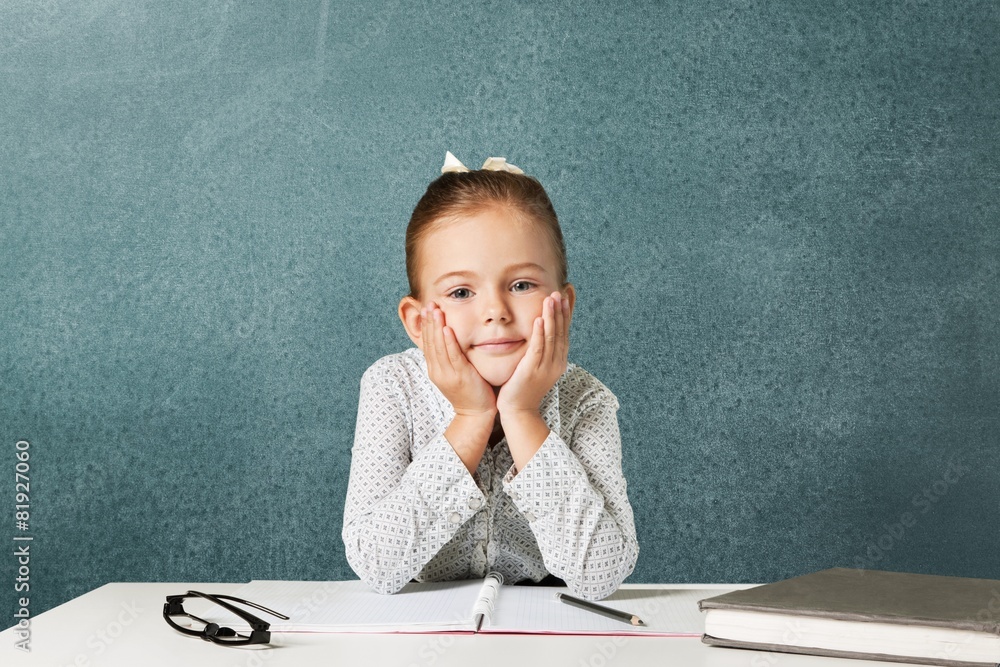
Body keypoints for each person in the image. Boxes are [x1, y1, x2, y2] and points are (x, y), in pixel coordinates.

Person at [342, 152, 638, 601]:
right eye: (461, 292)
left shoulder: (586, 399)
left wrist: (521, 414)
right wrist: (470, 416)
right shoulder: (391, 386)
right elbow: (377, 566)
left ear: (565, 304)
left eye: (521, 285)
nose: (496, 312)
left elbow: (602, 573)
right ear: (418, 321)